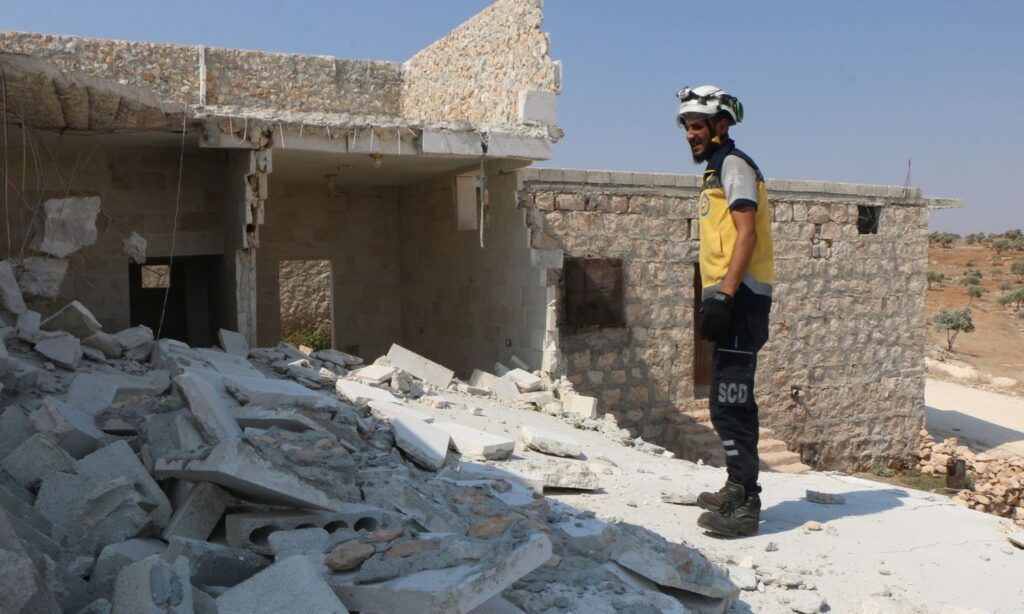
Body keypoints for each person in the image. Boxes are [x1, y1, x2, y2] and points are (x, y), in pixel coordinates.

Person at [676, 85, 774, 537]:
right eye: (687, 127)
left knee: (730, 403)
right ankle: (737, 485)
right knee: (726, 401)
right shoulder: (715, 170)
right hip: (730, 297)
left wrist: (726, 296)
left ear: (721, 125)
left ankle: (744, 504)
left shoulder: (733, 166)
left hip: (741, 300)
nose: (690, 135)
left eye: (697, 126)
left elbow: (747, 234)